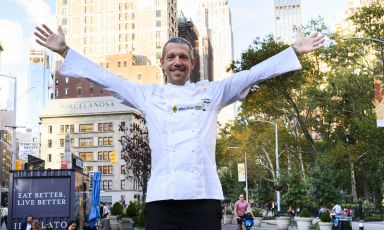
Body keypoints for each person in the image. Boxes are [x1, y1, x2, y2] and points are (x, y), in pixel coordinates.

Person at [34, 23, 324, 229]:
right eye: (171, 57)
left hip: (204, 198)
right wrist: (65, 51)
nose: (177, 62)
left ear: (192, 63)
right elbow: (107, 79)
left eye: (183, 57)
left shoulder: (211, 92)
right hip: (161, 201)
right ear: (162, 63)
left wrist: (293, 51)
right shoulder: (149, 95)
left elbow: (251, 75)